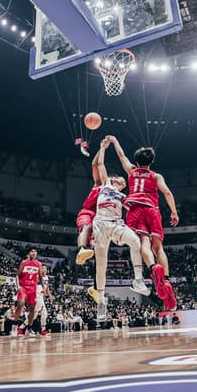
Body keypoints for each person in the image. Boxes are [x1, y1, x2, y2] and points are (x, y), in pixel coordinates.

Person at [106, 136, 179, 310]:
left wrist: (116, 142)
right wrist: (174, 212)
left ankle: (153, 267)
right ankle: (166, 279)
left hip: (136, 210)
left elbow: (121, 156)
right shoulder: (156, 176)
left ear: (137, 161)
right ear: (151, 162)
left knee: (143, 243)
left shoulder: (131, 171)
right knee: (158, 247)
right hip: (152, 210)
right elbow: (167, 192)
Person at [88, 138, 151, 320]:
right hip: (100, 223)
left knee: (135, 241)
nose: (119, 178)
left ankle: (138, 279)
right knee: (101, 265)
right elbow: (99, 163)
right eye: (118, 177)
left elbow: (134, 210)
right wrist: (102, 148)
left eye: (122, 179)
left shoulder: (124, 196)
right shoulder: (105, 184)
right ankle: (101, 301)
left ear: (123, 184)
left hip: (116, 223)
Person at [75, 157, 103, 266]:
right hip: (87, 212)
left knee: (98, 245)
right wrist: (102, 149)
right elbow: (94, 165)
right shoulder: (99, 184)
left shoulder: (115, 195)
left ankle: (97, 281)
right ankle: (81, 249)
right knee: (86, 227)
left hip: (99, 219)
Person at [11, 249, 42, 336]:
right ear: (29, 253)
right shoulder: (24, 262)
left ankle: (29, 328)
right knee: (21, 304)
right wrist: (18, 286)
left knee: (32, 308)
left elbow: (40, 277)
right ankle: (14, 326)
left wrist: (42, 286)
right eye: (32, 251)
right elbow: (17, 275)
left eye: (35, 251)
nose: (33, 253)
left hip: (32, 288)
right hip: (23, 287)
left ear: (37, 254)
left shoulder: (39, 264)